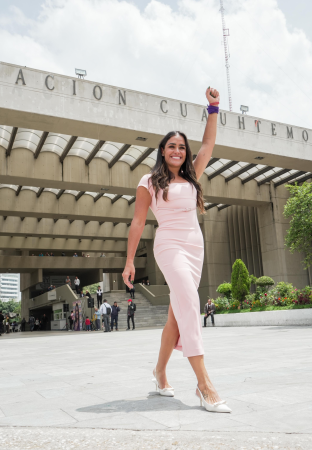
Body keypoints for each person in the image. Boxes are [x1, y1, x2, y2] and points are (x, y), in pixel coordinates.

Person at [121, 87, 230, 412]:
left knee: (175, 319)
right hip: (169, 246)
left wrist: (213, 108)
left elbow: (208, 144)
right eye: (172, 146)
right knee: (190, 302)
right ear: (162, 150)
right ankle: (204, 385)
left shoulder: (192, 176)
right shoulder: (149, 182)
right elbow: (138, 223)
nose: (178, 151)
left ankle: (160, 372)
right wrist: (129, 260)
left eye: (182, 147)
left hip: (195, 247)